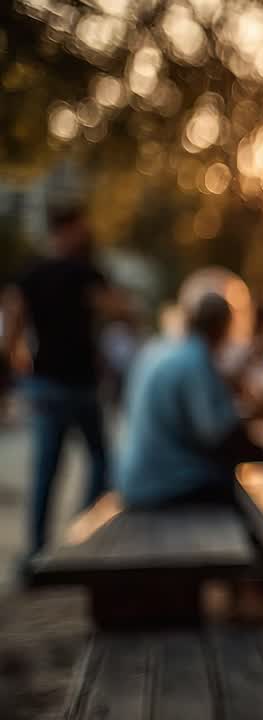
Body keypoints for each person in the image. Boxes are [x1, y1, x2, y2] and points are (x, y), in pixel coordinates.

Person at [2, 206, 112, 559]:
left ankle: (38, 552)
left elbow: (12, 318)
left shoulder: (31, 273)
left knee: (47, 469)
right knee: (99, 460)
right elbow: (114, 308)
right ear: (70, 229)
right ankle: (83, 536)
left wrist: (16, 359)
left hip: (46, 381)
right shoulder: (84, 271)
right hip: (78, 383)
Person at [115, 292, 263, 508]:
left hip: (133, 479)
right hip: (162, 485)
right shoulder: (195, 359)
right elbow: (217, 434)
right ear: (222, 327)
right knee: (253, 494)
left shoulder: (160, 348)